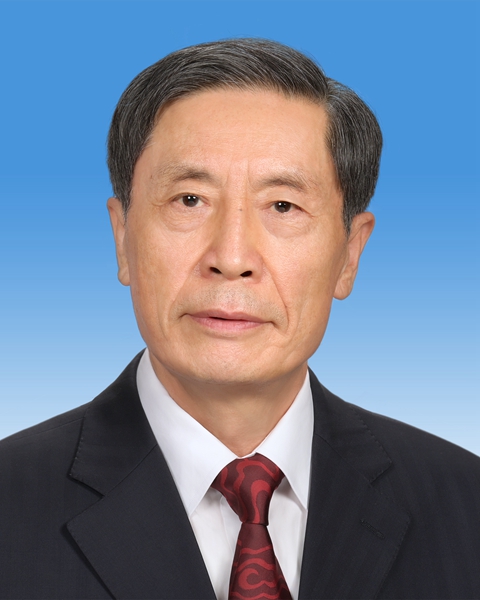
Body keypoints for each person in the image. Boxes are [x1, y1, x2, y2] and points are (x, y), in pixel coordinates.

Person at [0, 38, 479, 600]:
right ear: (122, 236)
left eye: (283, 206)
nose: (230, 257)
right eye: (189, 200)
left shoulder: (465, 504)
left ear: (350, 254)